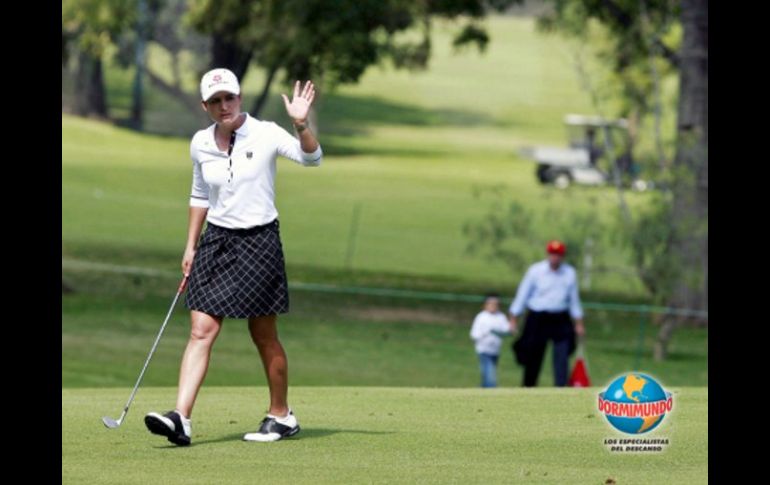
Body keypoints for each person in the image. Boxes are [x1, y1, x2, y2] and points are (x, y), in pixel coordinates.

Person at [144, 68, 322, 446]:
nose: (224, 106)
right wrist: (191, 245)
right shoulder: (200, 142)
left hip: (260, 242)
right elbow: (199, 195)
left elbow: (312, 159)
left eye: (230, 98)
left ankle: (282, 415)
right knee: (201, 329)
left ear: (240, 97)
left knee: (263, 335)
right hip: (216, 242)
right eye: (215, 101)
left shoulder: (267, 132)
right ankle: (181, 419)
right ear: (205, 105)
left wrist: (302, 125)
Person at [509, 240, 585, 387]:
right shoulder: (535, 271)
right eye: (553, 254)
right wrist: (514, 318)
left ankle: (561, 388)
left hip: (560, 318)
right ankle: (528, 387)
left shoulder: (569, 273)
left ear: (563, 256)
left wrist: (579, 323)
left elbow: (574, 300)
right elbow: (522, 295)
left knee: (562, 356)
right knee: (533, 355)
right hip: (538, 317)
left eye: (558, 255)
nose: (555, 258)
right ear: (548, 254)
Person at [470, 294, 515, 388]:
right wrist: (486, 333)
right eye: (490, 304)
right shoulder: (481, 317)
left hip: (495, 350)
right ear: (485, 305)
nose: (493, 306)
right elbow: (474, 334)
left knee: (487, 374)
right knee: (489, 373)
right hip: (483, 350)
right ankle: (492, 391)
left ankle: (481, 390)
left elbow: (507, 329)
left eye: (495, 304)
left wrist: (512, 327)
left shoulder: (500, 316)